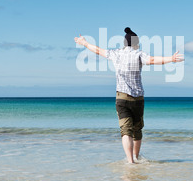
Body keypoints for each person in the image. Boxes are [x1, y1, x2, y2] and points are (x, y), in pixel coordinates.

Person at [74, 27, 184, 164]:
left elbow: (98, 50)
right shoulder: (139, 54)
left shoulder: (116, 53)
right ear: (136, 43)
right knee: (137, 130)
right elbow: (153, 60)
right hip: (137, 99)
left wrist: (84, 43)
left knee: (126, 131)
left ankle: (130, 161)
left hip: (122, 98)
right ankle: (136, 158)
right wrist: (171, 59)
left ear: (125, 43)